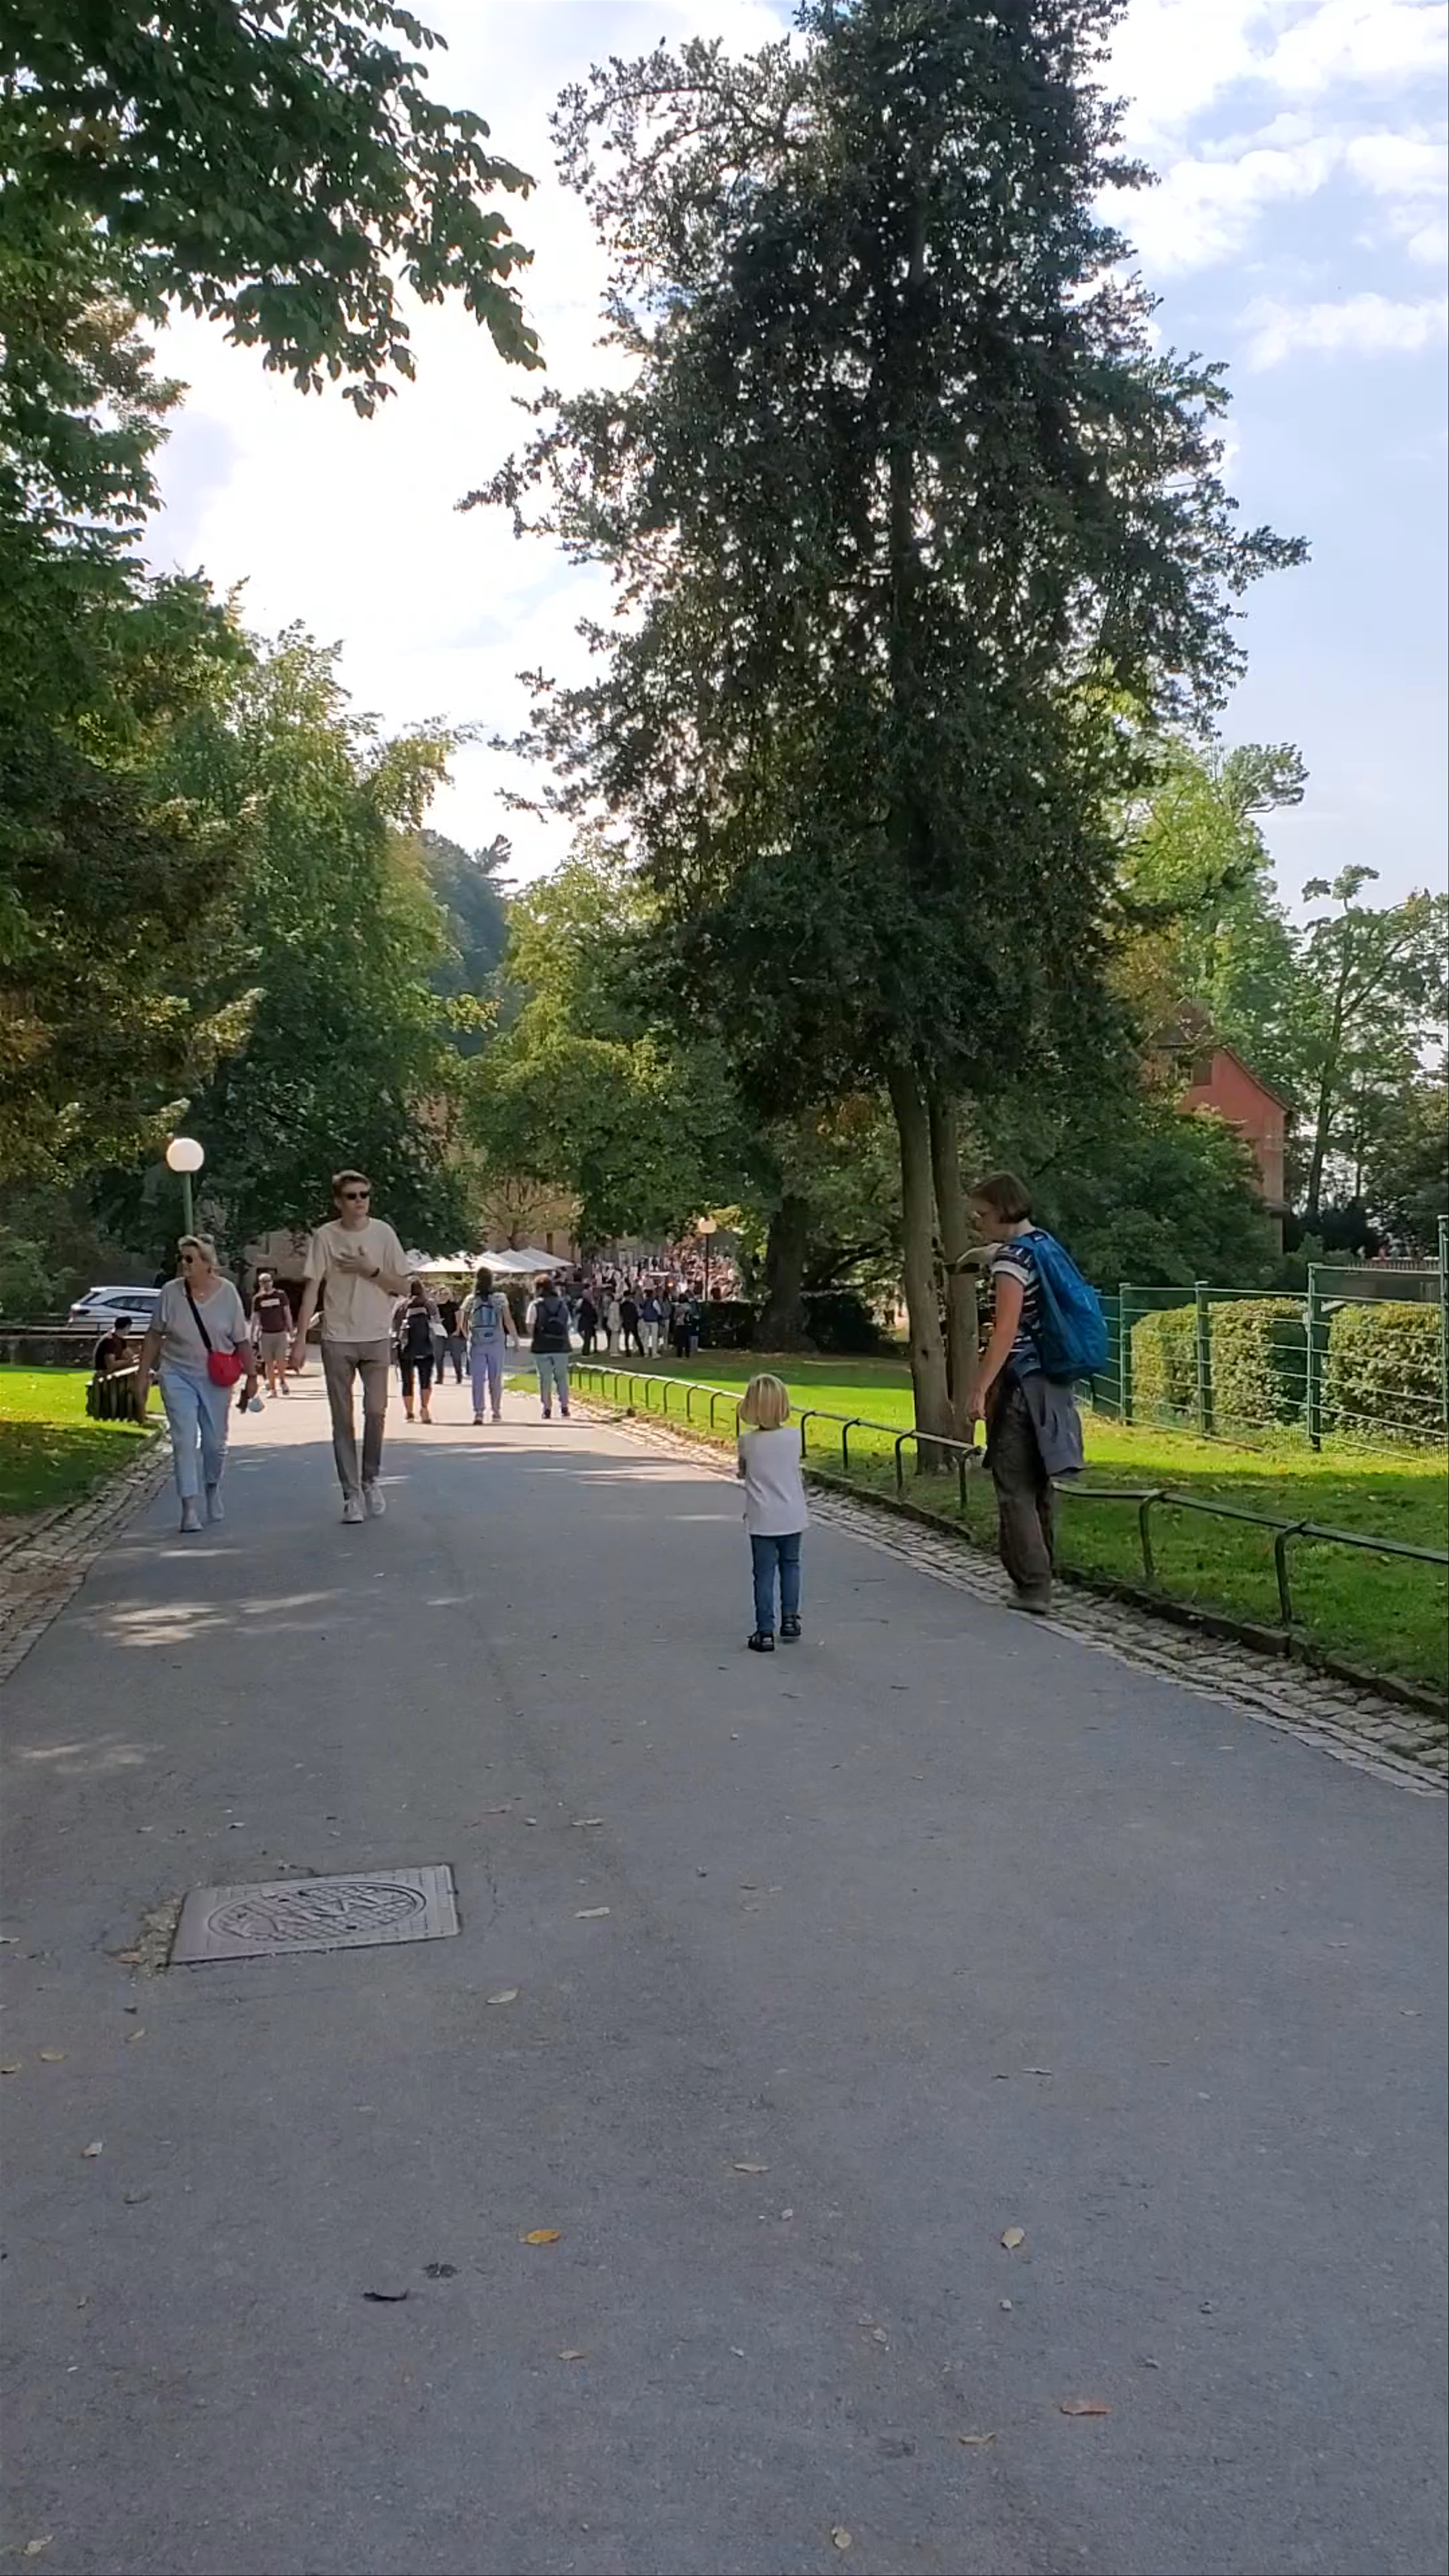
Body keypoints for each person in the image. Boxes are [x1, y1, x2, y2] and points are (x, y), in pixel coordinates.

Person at [961, 1170, 1085, 1616]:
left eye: (982, 1213)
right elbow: (1001, 1251)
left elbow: (1006, 1331)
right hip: (1052, 1382)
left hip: (1019, 1385)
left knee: (1014, 1485)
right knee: (1039, 1483)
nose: (978, 1221)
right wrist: (979, 1256)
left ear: (1002, 1209)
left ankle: (1033, 1586)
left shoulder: (1013, 1262)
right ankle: (1042, 1573)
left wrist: (979, 1388)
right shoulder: (1043, 1245)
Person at [291, 1170, 411, 1524]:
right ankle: (351, 1494)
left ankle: (371, 1478)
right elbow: (311, 1290)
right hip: (337, 1337)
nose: (360, 1201)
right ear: (338, 1201)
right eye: (352, 1196)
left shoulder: (383, 1233)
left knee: (376, 1411)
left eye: (365, 1195)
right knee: (342, 1420)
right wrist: (298, 1340)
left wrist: (369, 1270)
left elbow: (404, 1287)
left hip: (375, 1336)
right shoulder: (326, 1237)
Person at [136, 1237, 256, 1532]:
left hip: (215, 1377)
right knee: (184, 1440)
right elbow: (154, 1335)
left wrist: (252, 1377)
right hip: (177, 1374)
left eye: (191, 1259)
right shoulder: (170, 1293)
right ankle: (189, 1508)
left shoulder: (228, 1294)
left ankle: (212, 1488)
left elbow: (241, 1340)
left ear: (207, 1263)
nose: (184, 1264)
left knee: (215, 1444)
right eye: (182, 1258)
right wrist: (142, 1374)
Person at [736, 1373, 807, 1653]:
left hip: (763, 1517)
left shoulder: (748, 1442)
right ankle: (790, 1619)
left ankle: (764, 1630)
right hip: (792, 1513)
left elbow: (743, 1471)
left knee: (763, 1574)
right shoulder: (794, 1437)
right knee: (791, 1565)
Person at [461, 1264, 514, 1423]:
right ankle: (496, 1412)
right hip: (496, 1341)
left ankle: (479, 1412)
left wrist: (469, 1338)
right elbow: (508, 1321)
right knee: (495, 1378)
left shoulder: (470, 1300)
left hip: (477, 1343)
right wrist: (516, 1340)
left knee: (478, 1379)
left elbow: (463, 1325)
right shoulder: (500, 1298)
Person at [526, 1273, 573, 1419]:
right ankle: (565, 1406)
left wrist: (535, 1335)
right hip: (561, 1345)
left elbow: (529, 1326)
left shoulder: (535, 1305)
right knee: (562, 1377)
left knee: (545, 1378)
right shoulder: (562, 1304)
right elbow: (569, 1324)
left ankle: (547, 1408)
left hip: (542, 1346)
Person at [395, 1277, 438, 1423]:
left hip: (406, 1348)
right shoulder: (429, 1304)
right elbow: (436, 1324)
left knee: (408, 1380)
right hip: (426, 1347)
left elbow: (394, 1327)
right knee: (425, 1379)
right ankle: (425, 1409)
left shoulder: (401, 1306)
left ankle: (409, 1413)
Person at [249, 1269, 293, 1398]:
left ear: (272, 1282)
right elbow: (255, 1318)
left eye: (268, 1281)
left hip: (280, 1333)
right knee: (268, 1364)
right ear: (260, 1284)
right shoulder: (258, 1299)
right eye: (263, 1282)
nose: (266, 1284)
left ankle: (283, 1382)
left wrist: (291, 1330)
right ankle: (273, 1390)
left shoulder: (281, 1295)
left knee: (280, 1361)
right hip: (265, 1334)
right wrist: (252, 1335)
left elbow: (287, 1313)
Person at [437, 1288, 466, 1385]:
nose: (444, 1296)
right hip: (440, 1334)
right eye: (442, 1294)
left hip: (453, 1333)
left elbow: (459, 1318)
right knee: (439, 1356)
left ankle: (459, 1377)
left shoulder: (454, 1306)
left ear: (450, 1295)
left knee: (456, 1356)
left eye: (446, 1294)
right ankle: (440, 1378)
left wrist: (458, 1331)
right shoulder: (437, 1307)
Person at [576, 1288, 600, 1356]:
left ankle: (588, 1351)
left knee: (589, 1338)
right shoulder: (586, 1304)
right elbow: (589, 1313)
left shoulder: (588, 1303)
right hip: (587, 1323)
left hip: (589, 1323)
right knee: (587, 1339)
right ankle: (586, 1353)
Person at [618, 1287, 642, 1356]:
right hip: (632, 1323)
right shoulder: (632, 1305)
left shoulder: (622, 1305)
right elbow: (635, 1314)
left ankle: (628, 1352)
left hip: (626, 1323)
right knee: (636, 1337)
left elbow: (621, 1314)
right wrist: (636, 1320)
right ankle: (642, 1351)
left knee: (627, 1338)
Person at [638, 1287, 662, 1357]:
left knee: (646, 1337)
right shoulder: (654, 1301)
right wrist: (659, 1316)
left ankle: (646, 1353)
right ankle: (654, 1353)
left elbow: (642, 1307)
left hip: (646, 1320)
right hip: (654, 1321)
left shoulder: (645, 1301)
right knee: (654, 1337)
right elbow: (659, 1311)